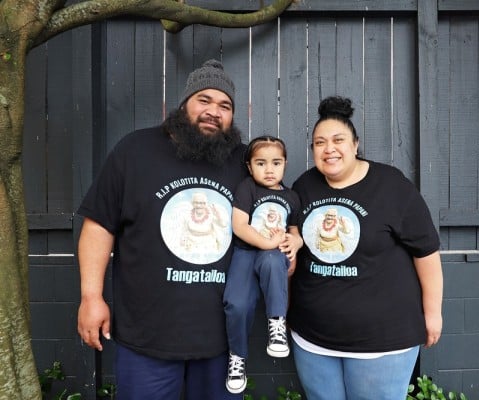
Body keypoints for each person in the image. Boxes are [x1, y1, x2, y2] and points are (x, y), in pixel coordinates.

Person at [77, 59, 251, 399]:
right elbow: (99, 224)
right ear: (184, 103)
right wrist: (91, 297)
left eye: (224, 105)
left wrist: (291, 237)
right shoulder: (135, 150)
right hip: (146, 338)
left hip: (221, 341)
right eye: (204, 100)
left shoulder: (245, 162)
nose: (214, 111)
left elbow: (276, 213)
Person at [288, 96, 444, 400]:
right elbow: (293, 251)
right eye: (319, 142)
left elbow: (426, 253)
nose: (329, 148)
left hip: (382, 341)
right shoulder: (304, 187)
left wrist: (433, 313)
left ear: (355, 144)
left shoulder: (391, 186)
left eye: (338, 140)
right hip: (312, 339)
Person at [223, 135, 302, 394]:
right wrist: (267, 243)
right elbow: (239, 225)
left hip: (273, 255)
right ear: (249, 167)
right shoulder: (248, 188)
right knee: (237, 303)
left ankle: (276, 325)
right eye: (261, 163)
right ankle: (238, 357)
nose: (269, 170)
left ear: (285, 164)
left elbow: (294, 231)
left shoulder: (291, 197)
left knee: (271, 261)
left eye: (276, 163)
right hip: (246, 252)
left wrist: (296, 244)